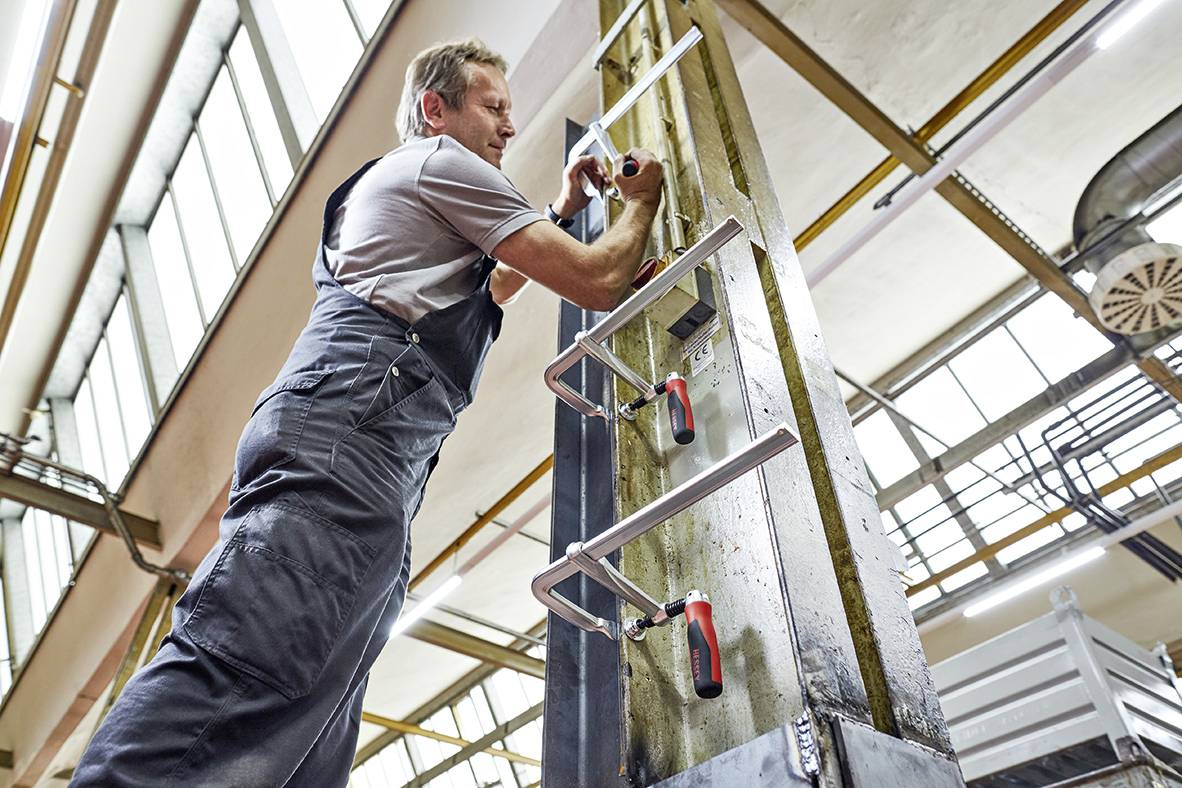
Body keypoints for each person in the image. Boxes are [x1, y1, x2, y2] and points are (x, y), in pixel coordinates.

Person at [72, 37, 662, 786]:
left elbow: (488, 285)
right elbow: (598, 279)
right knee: (245, 668)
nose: (510, 127)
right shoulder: (443, 163)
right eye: (495, 107)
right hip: (351, 441)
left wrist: (564, 208)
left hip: (362, 451)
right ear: (435, 110)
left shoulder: (412, 193)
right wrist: (639, 203)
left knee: (308, 722)